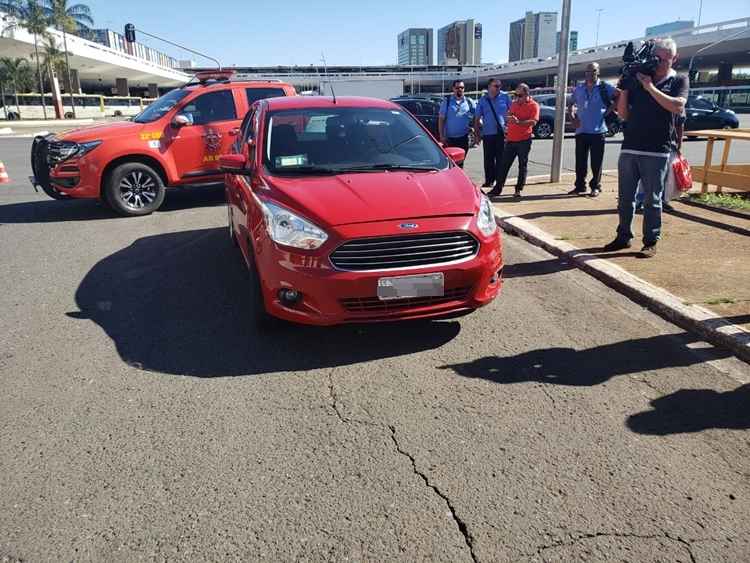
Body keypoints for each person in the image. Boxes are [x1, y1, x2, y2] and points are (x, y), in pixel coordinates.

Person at [603, 37, 688, 258]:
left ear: (674, 58)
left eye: (664, 59)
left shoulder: (678, 80)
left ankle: (650, 241)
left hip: (657, 149)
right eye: (656, 58)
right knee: (625, 197)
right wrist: (626, 89)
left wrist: (649, 87)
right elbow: (623, 114)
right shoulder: (640, 78)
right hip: (630, 146)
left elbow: (677, 106)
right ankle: (623, 236)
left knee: (653, 199)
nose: (659, 63)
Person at [567, 62, 618, 197]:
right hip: (581, 131)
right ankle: (579, 186)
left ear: (598, 72)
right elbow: (571, 103)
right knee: (580, 162)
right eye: (588, 71)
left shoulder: (604, 87)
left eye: (593, 71)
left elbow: (619, 96)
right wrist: (572, 117)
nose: (590, 74)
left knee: (596, 162)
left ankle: (595, 186)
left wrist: (608, 111)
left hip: (598, 131)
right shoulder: (579, 88)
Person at [487, 83, 539, 199]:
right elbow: (509, 116)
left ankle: (518, 189)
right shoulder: (514, 104)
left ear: (527, 94)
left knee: (522, 165)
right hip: (511, 139)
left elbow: (533, 122)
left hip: (524, 140)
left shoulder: (533, 105)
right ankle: (497, 189)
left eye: (520, 95)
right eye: (515, 95)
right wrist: (509, 120)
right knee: (504, 165)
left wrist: (518, 122)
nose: (517, 98)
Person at [474, 78, 512, 187]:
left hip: (502, 133)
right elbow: (477, 118)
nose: (498, 88)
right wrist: (477, 135)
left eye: (499, 86)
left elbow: (513, 111)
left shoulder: (505, 97)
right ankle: (489, 180)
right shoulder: (483, 100)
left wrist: (509, 126)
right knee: (488, 159)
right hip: (488, 133)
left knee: (501, 159)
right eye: (496, 86)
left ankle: (499, 182)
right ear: (489, 87)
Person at [438, 80, 476, 168]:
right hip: (449, 140)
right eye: (457, 88)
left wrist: (474, 128)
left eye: (462, 88)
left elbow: (476, 116)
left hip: (463, 138)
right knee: (450, 164)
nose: (460, 89)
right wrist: (442, 136)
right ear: (453, 89)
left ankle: (459, 180)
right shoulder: (447, 102)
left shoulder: (469, 102)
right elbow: (441, 119)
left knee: (460, 163)